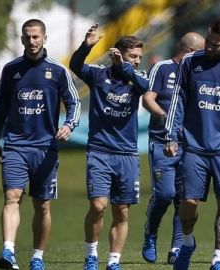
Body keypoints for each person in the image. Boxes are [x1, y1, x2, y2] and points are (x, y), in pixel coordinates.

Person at [0, 19, 80, 270]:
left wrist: (69, 125)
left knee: (42, 205)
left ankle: (37, 257)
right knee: (12, 197)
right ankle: (8, 252)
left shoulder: (58, 71)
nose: (32, 41)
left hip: (45, 149)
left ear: (44, 38)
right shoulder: (11, 70)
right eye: (27, 37)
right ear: (21, 39)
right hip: (16, 146)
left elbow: (74, 102)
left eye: (36, 37)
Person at [164, 16, 220, 270]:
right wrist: (171, 135)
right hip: (194, 146)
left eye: (217, 44)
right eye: (209, 41)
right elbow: (177, 100)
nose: (211, 47)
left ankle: (218, 258)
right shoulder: (190, 63)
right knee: (189, 202)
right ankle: (188, 242)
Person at [69, 24, 149, 270]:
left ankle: (114, 260)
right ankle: (91, 255)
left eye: (139, 58)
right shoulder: (99, 75)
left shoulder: (139, 78)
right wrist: (87, 46)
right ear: (119, 53)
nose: (137, 62)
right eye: (132, 57)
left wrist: (124, 66)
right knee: (98, 205)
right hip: (100, 151)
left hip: (127, 154)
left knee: (121, 211)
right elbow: (75, 66)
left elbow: (145, 89)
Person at [141, 32, 204, 264]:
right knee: (165, 193)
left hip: (189, 145)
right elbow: (148, 99)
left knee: (183, 197)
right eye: (199, 53)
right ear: (188, 51)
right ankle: (150, 232)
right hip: (161, 140)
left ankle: (177, 247)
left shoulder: (199, 73)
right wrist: (167, 117)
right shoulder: (163, 68)